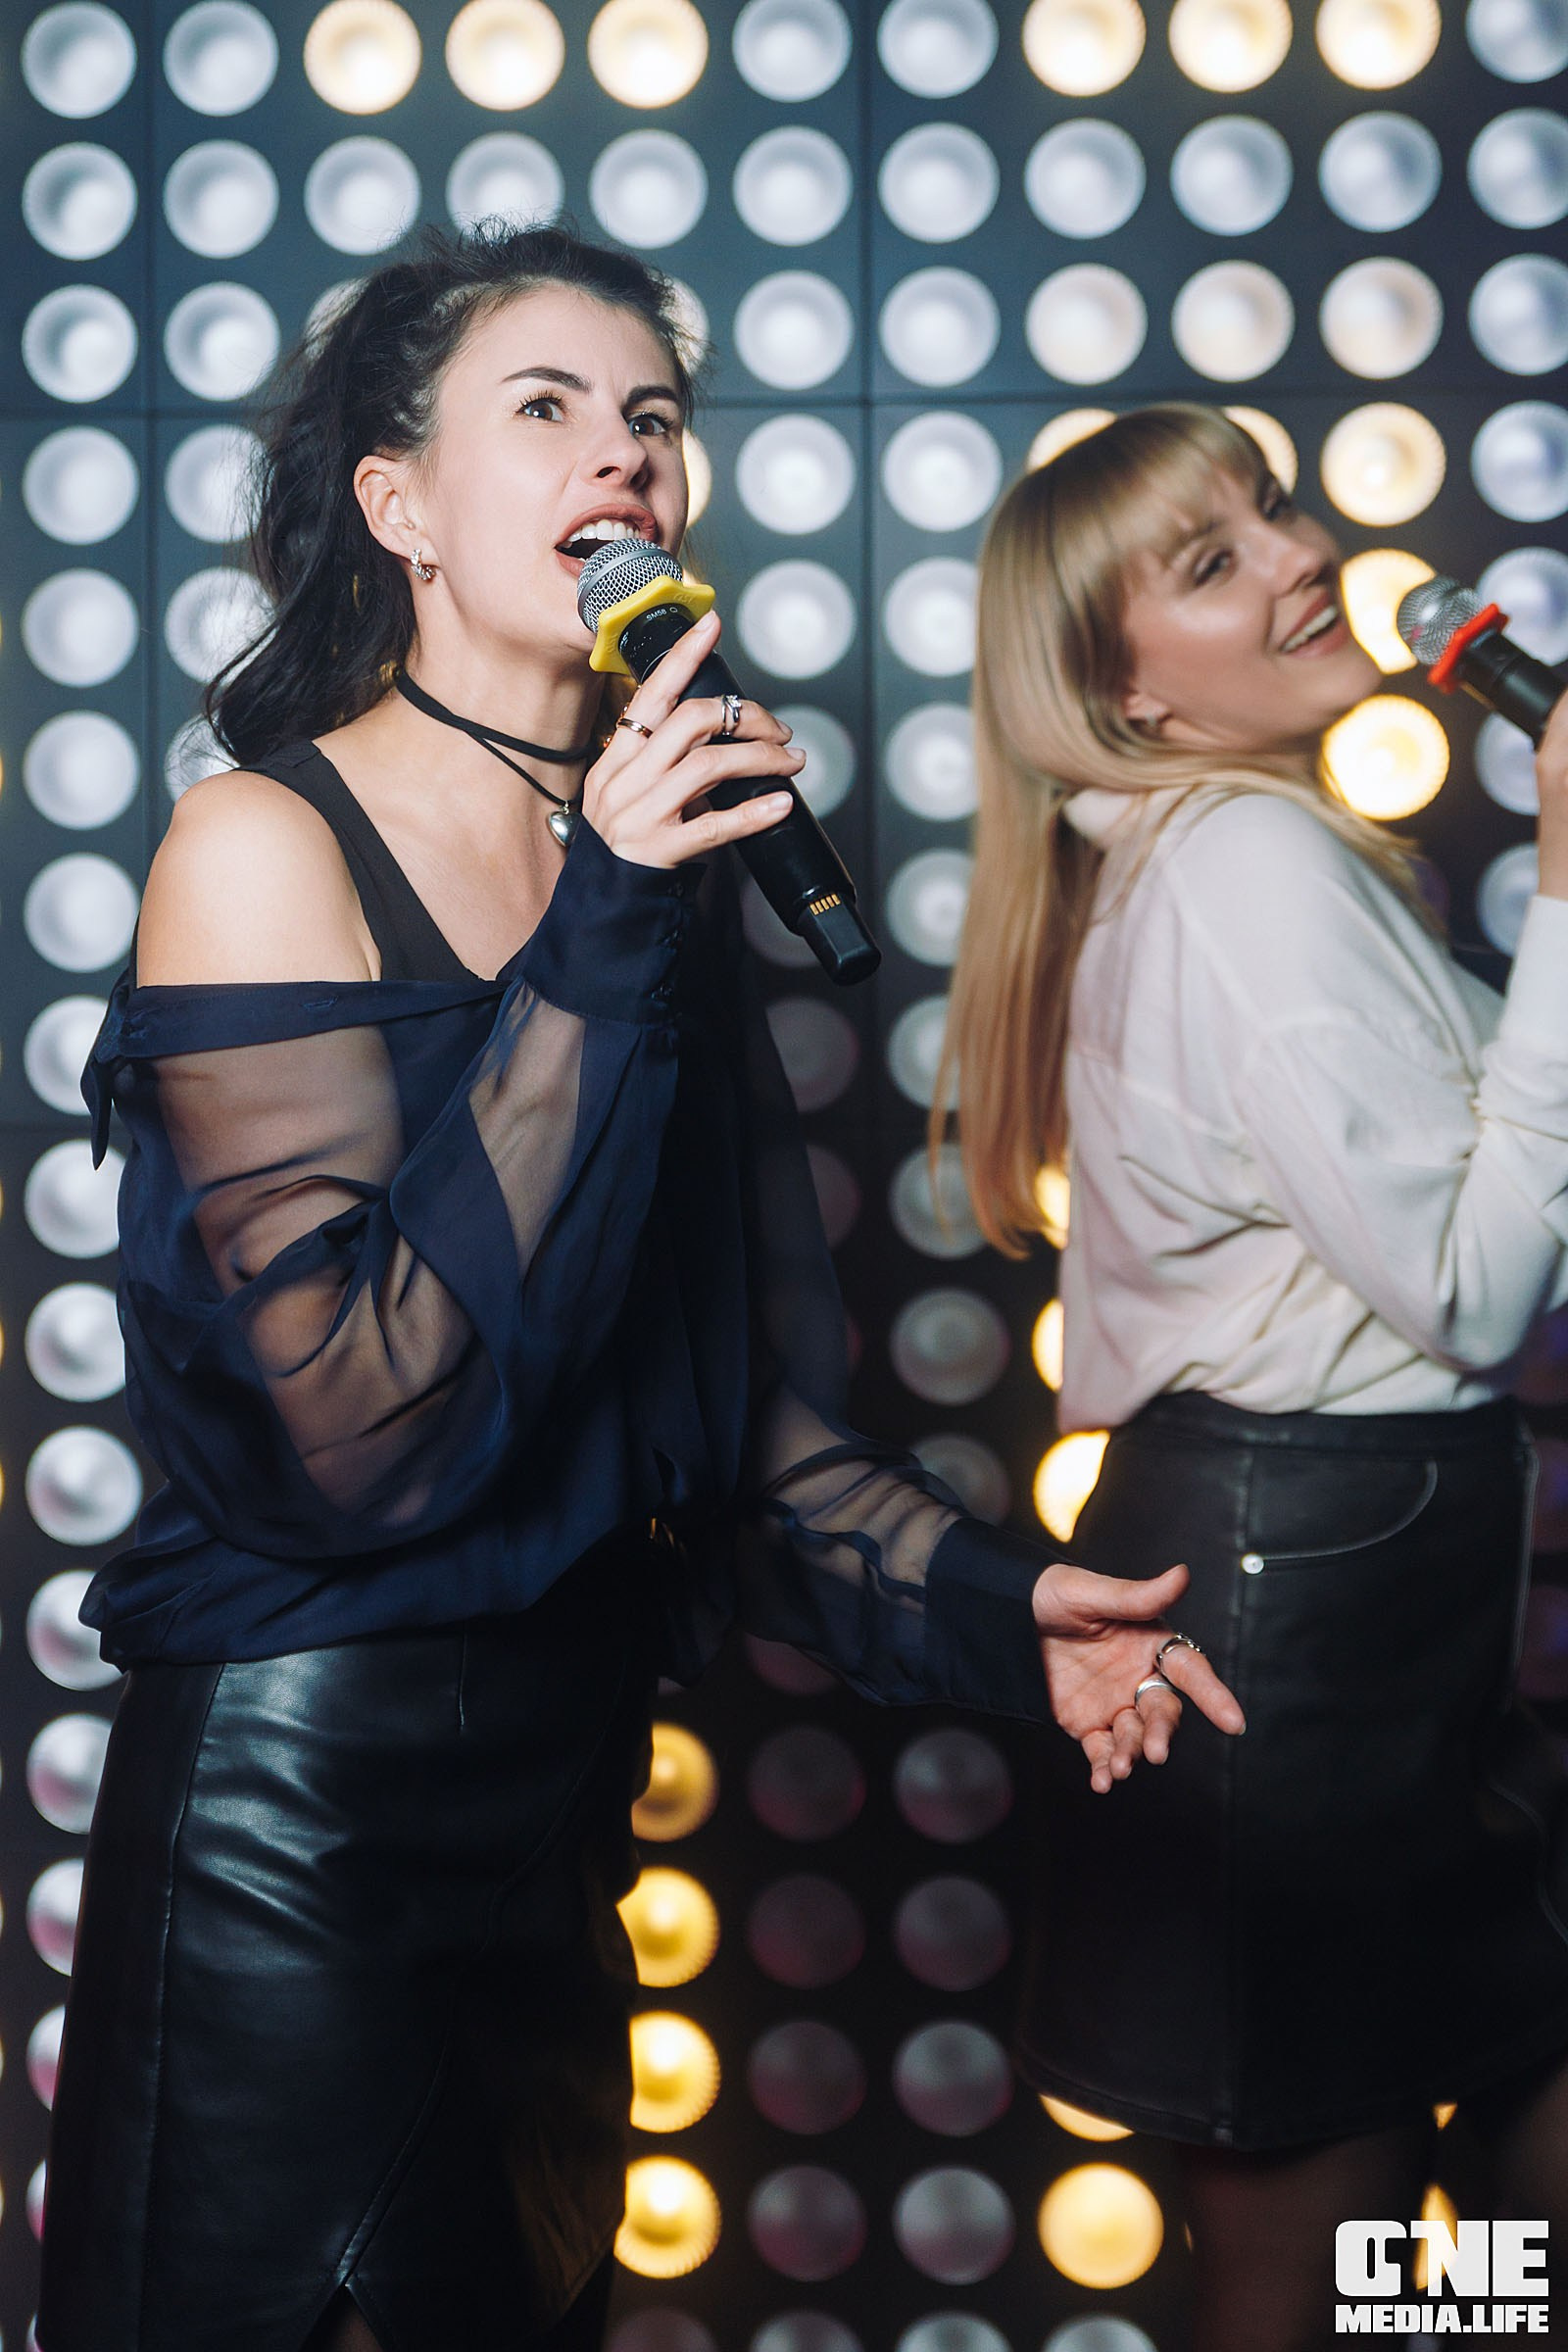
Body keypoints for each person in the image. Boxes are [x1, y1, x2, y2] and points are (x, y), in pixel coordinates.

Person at [37, 235, 1243, 2352]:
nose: (624, 455)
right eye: (546, 408)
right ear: (399, 506)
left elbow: (736, 1427)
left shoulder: (656, 880)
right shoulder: (262, 846)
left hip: (561, 1832)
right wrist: (604, 914)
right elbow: (355, 1438)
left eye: (652, 418)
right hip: (297, 1847)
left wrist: (1002, 1613)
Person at [941, 402, 1568, 2350]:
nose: (1303, 558)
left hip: (1355, 1610)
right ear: (1125, 697)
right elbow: (1475, 1287)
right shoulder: (1245, 874)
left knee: (1474, 2245)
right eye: (1211, 562)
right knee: (1309, 2278)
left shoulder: (1250, 855)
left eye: (1272, 511)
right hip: (1291, 1645)